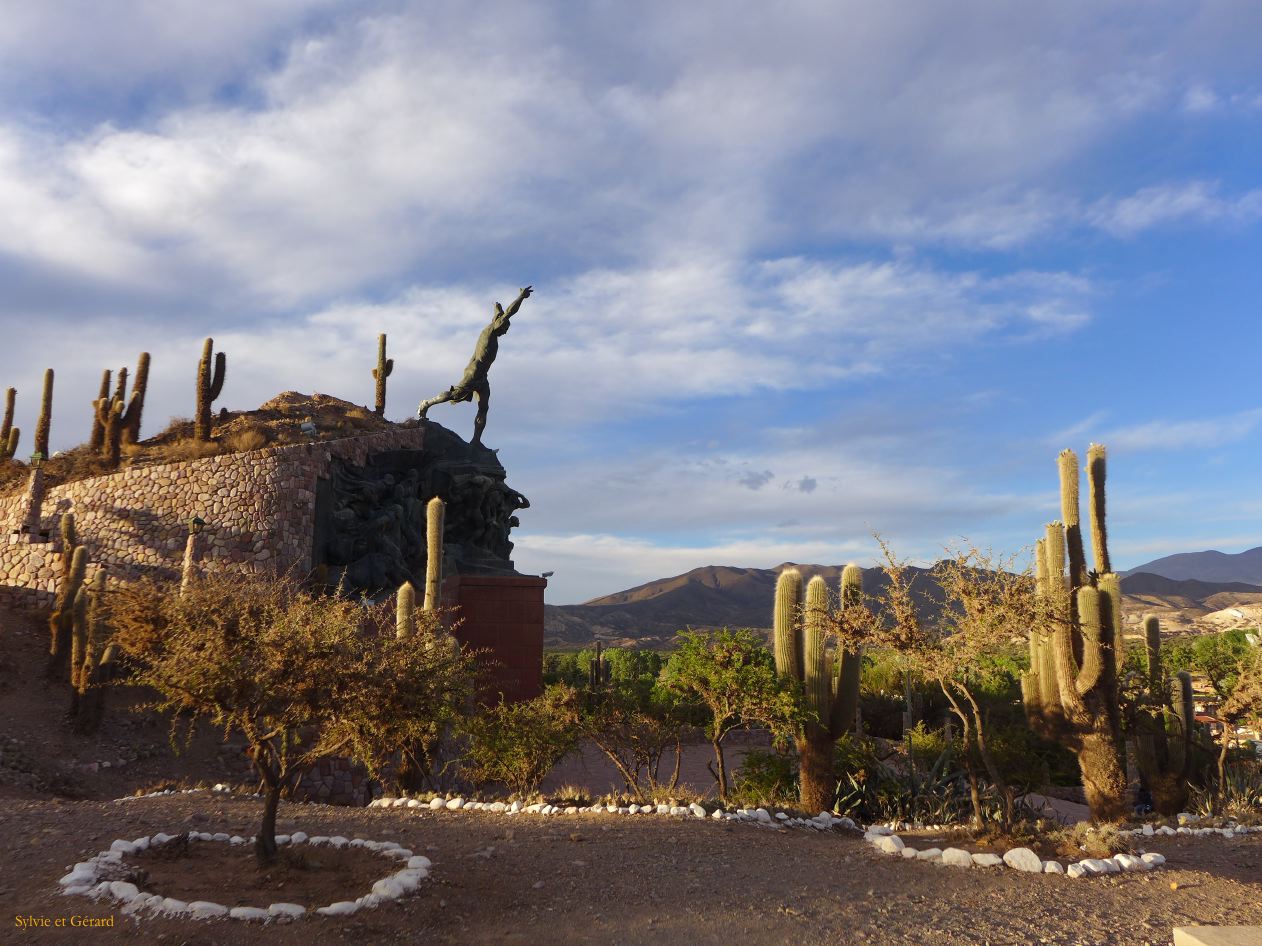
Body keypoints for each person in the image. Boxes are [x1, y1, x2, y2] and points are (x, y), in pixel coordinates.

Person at [417, 286, 533, 445]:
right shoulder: (492, 331)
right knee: (455, 394)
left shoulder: (492, 331)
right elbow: (509, 313)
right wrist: (521, 298)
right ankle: (427, 403)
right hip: (474, 373)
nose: (505, 331)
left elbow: (499, 316)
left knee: (483, 407)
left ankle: (476, 441)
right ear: (500, 324)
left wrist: (496, 308)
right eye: (506, 328)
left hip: (482, 376)